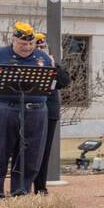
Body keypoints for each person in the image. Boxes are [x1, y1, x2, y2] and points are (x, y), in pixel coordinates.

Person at [0, 21, 55, 197]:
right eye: (22, 44)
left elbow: (52, 83)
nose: (27, 48)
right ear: (14, 41)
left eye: (30, 44)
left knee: (31, 153)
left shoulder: (43, 58)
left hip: (35, 110)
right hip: (4, 108)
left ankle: (21, 191)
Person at [29, 33, 69, 194]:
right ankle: (22, 185)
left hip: (48, 112)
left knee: (44, 151)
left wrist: (53, 66)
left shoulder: (50, 63)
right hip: (29, 111)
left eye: (42, 47)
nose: (40, 50)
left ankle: (40, 186)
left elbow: (64, 81)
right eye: (37, 47)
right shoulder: (26, 62)